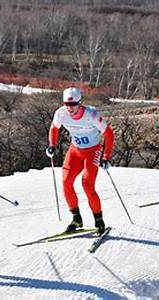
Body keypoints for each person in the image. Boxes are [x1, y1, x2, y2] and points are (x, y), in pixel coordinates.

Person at [46, 87, 114, 234]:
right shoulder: (61, 113)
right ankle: (76, 219)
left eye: (73, 104)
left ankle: (99, 221)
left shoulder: (91, 114)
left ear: (80, 102)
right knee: (66, 182)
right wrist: (52, 145)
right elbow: (54, 128)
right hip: (75, 151)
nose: (70, 108)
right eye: (67, 104)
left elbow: (109, 133)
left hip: (92, 151)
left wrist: (106, 156)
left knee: (87, 185)